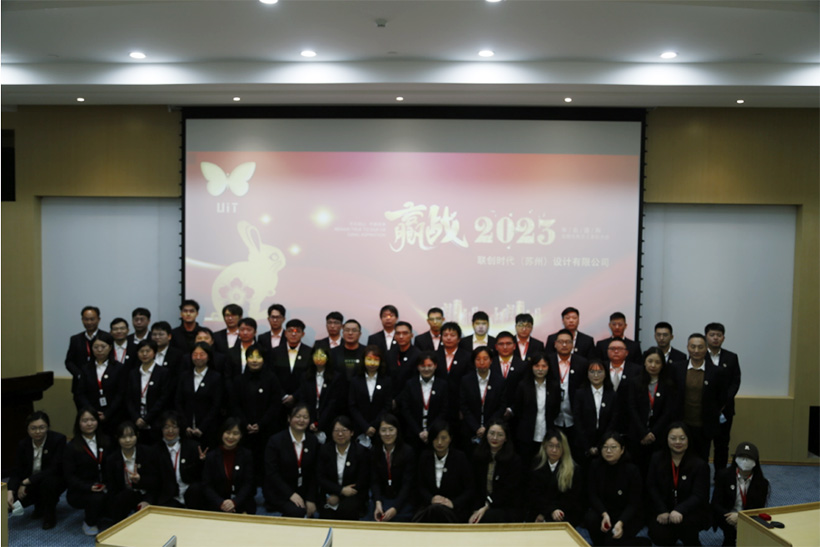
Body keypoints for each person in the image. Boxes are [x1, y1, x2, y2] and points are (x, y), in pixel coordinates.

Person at [647, 422, 711, 546]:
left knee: (687, 529)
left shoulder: (699, 464)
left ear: (688, 440)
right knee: (659, 535)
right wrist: (662, 510)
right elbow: (651, 487)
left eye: (682, 438)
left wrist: (680, 510)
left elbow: (699, 495)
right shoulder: (657, 459)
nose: (678, 442)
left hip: (690, 511)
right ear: (666, 439)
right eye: (673, 438)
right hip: (665, 510)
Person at [231, 344, 283, 485]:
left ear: (264, 359)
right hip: (244, 430)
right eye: (251, 357)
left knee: (266, 464)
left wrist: (260, 424)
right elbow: (235, 405)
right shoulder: (239, 380)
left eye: (258, 357)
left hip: (267, 430)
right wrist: (246, 423)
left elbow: (275, 405)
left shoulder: (272, 379)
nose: (254, 360)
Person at [6, 411, 66, 530]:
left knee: (48, 484)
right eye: (33, 428)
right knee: (10, 502)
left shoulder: (58, 440)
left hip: (54, 478)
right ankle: (39, 505)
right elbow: (17, 470)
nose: (38, 431)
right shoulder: (23, 444)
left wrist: (26, 482)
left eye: (42, 427)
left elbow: (54, 468)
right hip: (32, 480)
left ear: (47, 427)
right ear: (27, 429)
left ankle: (49, 515)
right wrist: (10, 491)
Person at [673, 333, 727, 463]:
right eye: (693, 346)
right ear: (687, 347)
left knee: (701, 459)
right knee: (680, 457)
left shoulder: (716, 372)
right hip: (681, 423)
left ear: (706, 348)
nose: (696, 350)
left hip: (704, 425)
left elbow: (721, 398)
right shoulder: (676, 368)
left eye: (700, 347)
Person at [584, 432, 643, 546]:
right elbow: (592, 495)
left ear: (622, 449)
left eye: (613, 447)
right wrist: (604, 514)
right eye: (605, 447)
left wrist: (621, 523)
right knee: (591, 518)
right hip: (605, 511)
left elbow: (633, 503)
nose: (608, 451)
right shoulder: (595, 465)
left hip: (626, 514)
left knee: (611, 542)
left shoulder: (632, 470)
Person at [627, 347, 679, 474]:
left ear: (662, 365)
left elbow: (668, 412)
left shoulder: (668, 384)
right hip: (638, 435)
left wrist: (653, 433)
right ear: (644, 362)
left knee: (656, 470)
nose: (653, 365)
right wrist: (643, 433)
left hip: (659, 436)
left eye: (657, 362)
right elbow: (632, 408)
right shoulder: (634, 383)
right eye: (650, 361)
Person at [263, 404, 319, 517]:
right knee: (297, 511)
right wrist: (291, 494)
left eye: (305, 417)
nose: (301, 420)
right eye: (297, 416)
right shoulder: (276, 441)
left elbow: (315, 471)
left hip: (304, 491)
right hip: (280, 492)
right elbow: (272, 473)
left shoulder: (313, 441)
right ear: (289, 418)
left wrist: (311, 498)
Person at [414, 419, 474, 523]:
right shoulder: (424, 457)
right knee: (433, 510)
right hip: (429, 507)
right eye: (436, 438)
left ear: (450, 438)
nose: (439, 442)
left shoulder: (460, 458)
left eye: (443, 438)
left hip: (453, 509)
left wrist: (453, 503)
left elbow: (469, 489)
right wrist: (431, 499)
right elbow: (420, 486)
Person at [711, 442, 770, 547]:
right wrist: (731, 517)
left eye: (749, 457)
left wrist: (741, 518)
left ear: (755, 461)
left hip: (748, 517)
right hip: (727, 516)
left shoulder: (762, 483)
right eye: (742, 456)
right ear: (735, 458)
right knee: (730, 538)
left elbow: (758, 509)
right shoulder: (724, 476)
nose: (745, 460)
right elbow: (716, 503)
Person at [63, 407, 111, 536]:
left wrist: (107, 483)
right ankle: (89, 522)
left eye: (92, 420)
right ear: (78, 424)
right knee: (97, 498)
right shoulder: (72, 447)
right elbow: (69, 476)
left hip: (105, 485)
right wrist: (89, 487)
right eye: (85, 421)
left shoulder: (106, 441)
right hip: (81, 489)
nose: (89, 423)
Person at [72, 332, 126, 437]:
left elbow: (121, 394)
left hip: (113, 415)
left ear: (110, 347)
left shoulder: (119, 368)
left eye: (103, 347)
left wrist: (107, 413)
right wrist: (92, 413)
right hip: (91, 416)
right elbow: (80, 393)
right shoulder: (85, 368)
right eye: (96, 347)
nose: (99, 350)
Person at [104, 421, 160, 523]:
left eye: (131, 436)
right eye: (123, 437)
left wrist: (141, 480)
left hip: (145, 493)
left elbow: (156, 481)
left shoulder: (149, 453)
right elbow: (112, 487)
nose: (128, 440)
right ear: (117, 438)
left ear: (137, 435)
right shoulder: (112, 459)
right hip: (124, 494)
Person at [317, 416, 370, 520]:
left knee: (346, 511)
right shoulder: (324, 450)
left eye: (344, 430)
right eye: (336, 430)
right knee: (326, 517)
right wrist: (340, 490)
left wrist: (340, 495)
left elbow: (363, 481)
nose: (340, 434)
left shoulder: (361, 452)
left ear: (352, 432)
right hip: (329, 493)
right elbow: (320, 477)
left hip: (354, 495)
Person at [468, 419, 522, 523]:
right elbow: (474, 486)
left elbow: (507, 492)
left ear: (506, 438)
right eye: (492, 433)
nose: (495, 438)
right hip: (481, 504)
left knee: (488, 517)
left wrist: (486, 507)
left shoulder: (514, 460)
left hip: (504, 506)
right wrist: (476, 509)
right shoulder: (478, 456)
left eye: (500, 435)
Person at [705, 322, 741, 471]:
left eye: (718, 335)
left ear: (723, 338)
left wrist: (723, 402)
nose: (715, 338)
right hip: (705, 409)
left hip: (725, 409)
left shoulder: (731, 357)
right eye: (712, 335)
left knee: (722, 444)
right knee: (703, 444)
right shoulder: (699, 355)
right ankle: (702, 475)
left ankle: (720, 476)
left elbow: (735, 382)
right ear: (706, 337)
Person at [202, 417, 257, 514]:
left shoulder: (246, 455)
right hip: (218, 502)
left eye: (235, 433)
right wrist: (221, 503)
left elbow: (248, 484)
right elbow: (207, 485)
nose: (231, 437)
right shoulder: (211, 456)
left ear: (241, 435)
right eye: (228, 432)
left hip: (241, 501)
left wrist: (234, 502)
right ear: (222, 433)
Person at [528, 429, 583, 526]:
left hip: (563, 511)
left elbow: (571, 497)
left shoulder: (573, 469)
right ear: (545, 446)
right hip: (539, 509)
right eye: (551, 446)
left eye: (558, 446)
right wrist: (546, 511)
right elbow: (533, 493)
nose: (554, 450)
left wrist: (554, 510)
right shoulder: (536, 464)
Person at [175, 342, 224, 447]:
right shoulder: (184, 376)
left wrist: (202, 428)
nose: (198, 357)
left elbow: (216, 405)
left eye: (202, 354)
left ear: (209, 357)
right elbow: (178, 401)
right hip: (186, 429)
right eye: (195, 354)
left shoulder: (216, 377)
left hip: (208, 429)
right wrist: (185, 426)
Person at [154, 411, 206, 509]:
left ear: (180, 428)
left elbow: (199, 476)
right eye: (166, 427)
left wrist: (201, 461)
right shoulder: (156, 450)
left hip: (190, 494)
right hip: (169, 497)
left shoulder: (192, 447)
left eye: (174, 427)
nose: (170, 431)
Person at [126, 340, 173, 445]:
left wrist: (147, 419)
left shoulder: (163, 372)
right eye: (141, 351)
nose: (144, 354)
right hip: (136, 420)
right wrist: (136, 418)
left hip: (156, 420)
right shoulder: (133, 373)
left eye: (148, 351)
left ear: (154, 352)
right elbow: (128, 398)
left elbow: (164, 398)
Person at [572, 360, 618, 465]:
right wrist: (588, 446)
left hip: (605, 442)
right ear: (587, 374)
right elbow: (577, 420)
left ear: (605, 374)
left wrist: (600, 445)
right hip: (583, 442)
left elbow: (613, 420)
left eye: (599, 371)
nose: (596, 375)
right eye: (592, 372)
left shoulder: (612, 395)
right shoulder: (580, 394)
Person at [370, 413, 415, 522]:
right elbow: (374, 481)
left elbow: (407, 484)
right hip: (382, 499)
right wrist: (378, 503)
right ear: (378, 432)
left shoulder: (408, 452)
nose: (387, 434)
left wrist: (395, 508)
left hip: (402, 500)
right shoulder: (374, 451)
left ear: (397, 431)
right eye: (383, 430)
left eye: (391, 429)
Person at [400, 351, 449, 449]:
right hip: (413, 432)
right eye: (423, 366)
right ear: (418, 367)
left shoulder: (442, 385)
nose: (426, 369)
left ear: (435, 366)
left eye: (429, 365)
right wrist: (419, 431)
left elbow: (444, 410)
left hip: (436, 433)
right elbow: (405, 409)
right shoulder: (410, 384)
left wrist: (430, 431)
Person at [298, 346, 347, 443]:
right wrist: (311, 421)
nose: (319, 358)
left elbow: (333, 403)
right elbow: (303, 400)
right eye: (316, 355)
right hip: (308, 421)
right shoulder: (305, 376)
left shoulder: (336, 377)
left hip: (329, 421)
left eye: (322, 355)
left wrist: (319, 424)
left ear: (328, 357)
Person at [549, 328, 588, 447]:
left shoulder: (582, 363)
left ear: (573, 344)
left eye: (568, 342)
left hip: (574, 415)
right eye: (561, 342)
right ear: (555, 344)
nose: (564, 345)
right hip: (552, 415)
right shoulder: (548, 361)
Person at [460, 346, 504, 448]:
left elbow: (502, 406)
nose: (482, 362)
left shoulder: (500, 381)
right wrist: (476, 427)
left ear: (491, 360)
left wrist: (487, 427)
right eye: (478, 359)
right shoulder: (466, 380)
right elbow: (464, 406)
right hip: (470, 429)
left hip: (493, 430)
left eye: (485, 359)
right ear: (473, 361)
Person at [348, 345, 393, 446]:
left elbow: (387, 405)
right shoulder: (355, 381)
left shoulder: (386, 381)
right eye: (369, 359)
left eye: (376, 360)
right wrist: (365, 426)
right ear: (363, 360)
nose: (372, 363)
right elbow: (352, 406)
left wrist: (374, 425)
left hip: (380, 428)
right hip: (359, 427)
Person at [434, 321, 472, 425]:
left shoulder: (467, 357)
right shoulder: (434, 356)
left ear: (459, 339)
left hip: (458, 404)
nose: (448, 338)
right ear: (441, 338)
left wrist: (463, 408)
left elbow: (469, 384)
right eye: (445, 335)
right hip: (437, 404)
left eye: (452, 335)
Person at [271, 319, 313, 410]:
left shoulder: (310, 353)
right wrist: (283, 395)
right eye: (290, 331)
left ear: (303, 334)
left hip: (301, 400)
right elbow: (271, 375)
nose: (293, 334)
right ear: (285, 333)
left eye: (297, 331)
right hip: (278, 399)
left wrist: (295, 396)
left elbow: (310, 377)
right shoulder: (275, 352)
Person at [64, 305, 107, 379]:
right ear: (82, 320)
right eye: (86, 319)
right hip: (80, 381)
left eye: (92, 319)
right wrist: (79, 375)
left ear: (98, 319)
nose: (89, 322)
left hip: (102, 380)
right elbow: (69, 362)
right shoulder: (75, 339)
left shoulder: (106, 337)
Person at [386, 320, 421, 398]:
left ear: (411, 335)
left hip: (410, 397)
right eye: (398, 333)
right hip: (391, 396)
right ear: (394, 336)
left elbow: (415, 381)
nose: (401, 336)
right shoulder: (389, 354)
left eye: (405, 333)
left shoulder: (418, 355)